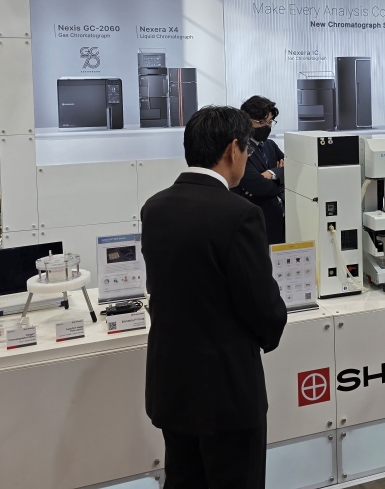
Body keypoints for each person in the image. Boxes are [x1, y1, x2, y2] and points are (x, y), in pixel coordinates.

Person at [141, 106, 287, 489]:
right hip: (227, 394)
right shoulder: (239, 214)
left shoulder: (155, 208)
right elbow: (263, 307)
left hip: (172, 387)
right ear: (232, 150)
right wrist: (270, 333)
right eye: (246, 149)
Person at [233, 96, 286, 245]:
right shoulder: (240, 149)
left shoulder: (270, 145)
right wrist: (282, 181)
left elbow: (292, 168)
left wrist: (272, 174)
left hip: (278, 222)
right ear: (247, 122)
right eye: (261, 122)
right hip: (254, 225)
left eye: (269, 122)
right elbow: (258, 185)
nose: (267, 127)